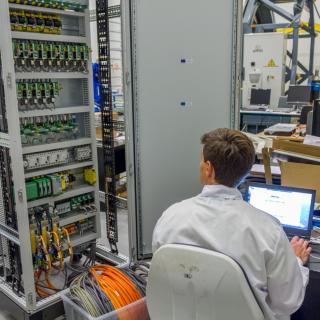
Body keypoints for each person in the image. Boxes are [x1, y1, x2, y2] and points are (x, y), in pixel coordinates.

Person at [152, 128, 310, 320]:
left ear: (208, 168)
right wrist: (297, 263)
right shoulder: (268, 230)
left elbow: (163, 276)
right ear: (246, 171)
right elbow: (287, 303)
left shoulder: (170, 217)